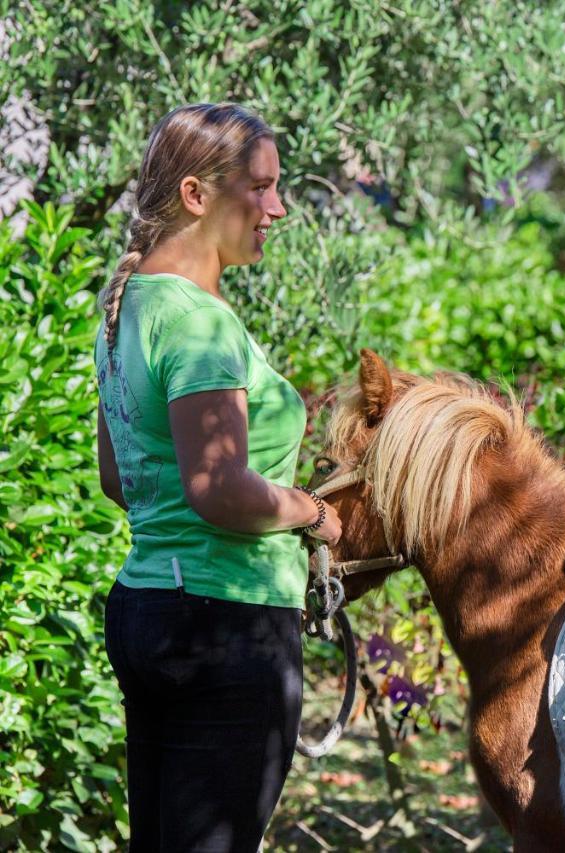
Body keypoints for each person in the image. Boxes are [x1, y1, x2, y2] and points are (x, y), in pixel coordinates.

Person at [94, 103, 341, 851]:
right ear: (197, 195)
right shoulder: (201, 321)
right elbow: (220, 488)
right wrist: (311, 514)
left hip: (146, 608)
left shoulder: (125, 304)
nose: (279, 207)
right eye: (261, 188)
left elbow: (117, 477)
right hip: (226, 625)